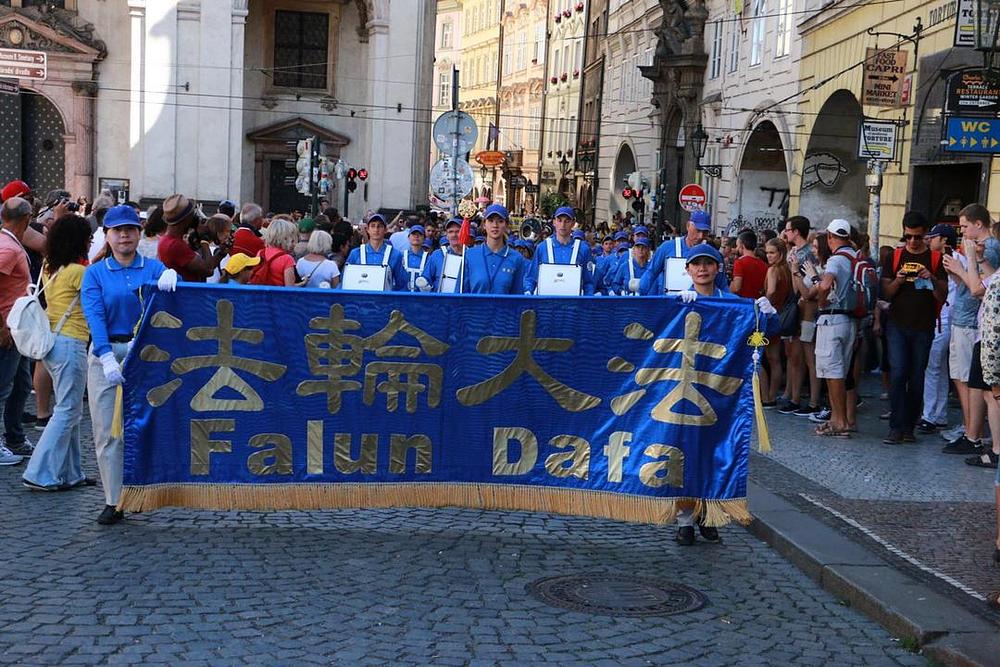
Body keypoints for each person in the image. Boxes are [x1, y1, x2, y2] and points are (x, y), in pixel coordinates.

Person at [672, 243, 774, 545]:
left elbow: (760, 335)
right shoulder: (678, 302)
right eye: (696, 264)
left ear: (718, 268)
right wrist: (676, 309)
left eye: (708, 263)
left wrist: (768, 317)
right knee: (684, 456)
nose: (702, 269)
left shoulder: (733, 304)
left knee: (714, 455)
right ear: (688, 270)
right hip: (683, 391)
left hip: (720, 392)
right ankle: (684, 520)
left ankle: (708, 515)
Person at [81, 205, 177, 524]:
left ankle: (144, 490)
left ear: (139, 233)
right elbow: (94, 316)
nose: (125, 235)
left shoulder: (154, 267)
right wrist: (105, 355)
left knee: (146, 425)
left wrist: (175, 278)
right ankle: (114, 499)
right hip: (107, 353)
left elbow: (172, 303)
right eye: (118, 230)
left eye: (130, 229)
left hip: (145, 354)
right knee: (108, 431)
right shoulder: (95, 273)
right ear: (107, 235)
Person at [21, 215, 94, 490]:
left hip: (53, 341)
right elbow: (96, 304)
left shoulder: (50, 267)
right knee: (67, 410)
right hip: (72, 343)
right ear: (78, 241)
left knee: (71, 410)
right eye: (87, 238)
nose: (90, 241)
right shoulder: (79, 273)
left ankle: (72, 472)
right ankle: (39, 473)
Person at [879, 211, 947, 444]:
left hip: (923, 326)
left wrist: (931, 278)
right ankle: (896, 426)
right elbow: (886, 292)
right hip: (897, 324)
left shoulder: (936, 259)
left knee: (917, 377)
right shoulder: (895, 256)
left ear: (925, 234)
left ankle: (909, 426)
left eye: (917, 237)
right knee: (898, 373)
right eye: (908, 236)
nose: (912, 241)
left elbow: (942, 295)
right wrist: (898, 280)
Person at [942, 204, 1000, 454]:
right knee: (971, 382)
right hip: (971, 321)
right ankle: (972, 433)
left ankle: (975, 435)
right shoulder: (983, 250)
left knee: (981, 386)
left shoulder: (992, 247)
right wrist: (959, 271)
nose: (962, 231)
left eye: (965, 226)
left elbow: (979, 289)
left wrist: (962, 268)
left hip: (979, 327)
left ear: (979, 224)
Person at [803, 222, 858, 437]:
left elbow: (825, 285)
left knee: (832, 372)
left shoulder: (836, 259)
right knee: (840, 372)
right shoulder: (855, 256)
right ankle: (837, 419)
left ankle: (840, 421)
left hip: (832, 319)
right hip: (850, 320)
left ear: (830, 237)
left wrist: (821, 300)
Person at [0, 197, 35, 465]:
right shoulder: (8, 248)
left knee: (22, 384)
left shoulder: (9, 242)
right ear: (26, 219)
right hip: (8, 329)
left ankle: (14, 438)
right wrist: (2, 326)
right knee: (2, 387)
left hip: (18, 328)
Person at [918, 224, 957, 433]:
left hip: (943, 319)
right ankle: (939, 414)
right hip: (947, 319)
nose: (928, 240)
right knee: (940, 369)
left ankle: (929, 416)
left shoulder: (948, 261)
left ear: (943, 240)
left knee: (932, 367)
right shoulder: (952, 259)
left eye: (932, 237)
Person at [782, 216, 822, 417]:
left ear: (796, 231)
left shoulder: (807, 254)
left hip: (809, 309)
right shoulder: (795, 252)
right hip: (800, 307)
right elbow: (795, 286)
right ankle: (794, 397)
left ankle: (813, 401)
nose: (785, 233)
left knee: (809, 357)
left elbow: (806, 289)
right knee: (796, 356)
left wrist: (795, 271)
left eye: (788, 230)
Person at [641, 210, 728, 294]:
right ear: (688, 226)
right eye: (698, 230)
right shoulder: (667, 248)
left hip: (701, 302)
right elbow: (650, 274)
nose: (701, 236)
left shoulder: (714, 254)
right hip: (671, 301)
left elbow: (722, 285)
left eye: (705, 232)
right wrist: (639, 297)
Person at [524, 206, 595, 295]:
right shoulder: (542, 248)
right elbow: (531, 278)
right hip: (546, 301)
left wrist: (588, 298)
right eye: (559, 220)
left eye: (567, 221)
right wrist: (528, 292)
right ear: (554, 222)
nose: (563, 225)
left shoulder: (583, 249)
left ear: (573, 223)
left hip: (573, 302)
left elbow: (588, 282)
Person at [461, 204, 527, 294]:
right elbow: (460, 295)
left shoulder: (517, 258)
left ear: (506, 225)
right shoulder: (469, 256)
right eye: (490, 221)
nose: (495, 225)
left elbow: (517, 296)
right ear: (484, 224)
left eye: (500, 221)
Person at [158, 194, 226, 282]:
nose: (195, 217)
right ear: (185, 220)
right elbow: (208, 270)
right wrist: (204, 240)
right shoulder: (175, 245)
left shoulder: (167, 240)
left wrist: (221, 253)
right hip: (186, 291)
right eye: (192, 214)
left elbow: (206, 265)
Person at [344, 214, 408, 291]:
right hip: (360, 297)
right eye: (373, 226)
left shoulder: (395, 255)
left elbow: (402, 285)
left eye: (380, 226)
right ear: (367, 229)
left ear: (385, 230)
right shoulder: (355, 253)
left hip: (385, 298)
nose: (376, 229)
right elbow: (345, 280)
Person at [763, 238, 793, 406]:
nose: (768, 256)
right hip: (782, 315)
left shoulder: (773, 270)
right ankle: (772, 395)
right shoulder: (786, 270)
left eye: (772, 253)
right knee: (775, 359)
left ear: (780, 253)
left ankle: (768, 396)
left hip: (771, 316)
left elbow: (771, 291)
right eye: (767, 252)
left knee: (769, 358)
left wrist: (764, 304)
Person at [420, 217, 465, 292]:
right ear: (446, 235)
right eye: (450, 232)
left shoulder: (471, 255)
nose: (454, 235)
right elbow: (426, 279)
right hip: (440, 298)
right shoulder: (437, 255)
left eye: (458, 231)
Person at [251, 218, 299, 287]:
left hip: (261, 292)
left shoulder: (260, 253)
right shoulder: (287, 259)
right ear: (286, 238)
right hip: (278, 293)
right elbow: (289, 288)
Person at [730, 230, 768, 299]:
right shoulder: (764, 264)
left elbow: (736, 288)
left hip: (742, 302)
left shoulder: (739, 262)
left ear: (742, 245)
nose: (737, 248)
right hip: (757, 301)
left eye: (737, 246)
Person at [404, 225, 429, 292]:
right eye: (413, 234)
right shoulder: (401, 256)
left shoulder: (429, 258)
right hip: (403, 295)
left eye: (420, 234)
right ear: (408, 237)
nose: (416, 236)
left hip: (421, 296)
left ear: (424, 238)